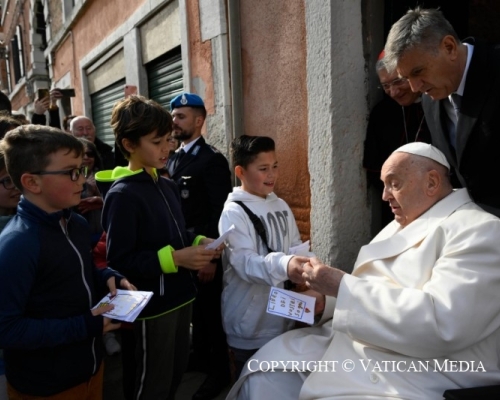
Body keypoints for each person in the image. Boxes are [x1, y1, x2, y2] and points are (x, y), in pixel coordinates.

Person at [226, 142, 500, 400]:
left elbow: (443, 323)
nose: (384, 196)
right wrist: (327, 303)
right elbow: (373, 286)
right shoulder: (403, 221)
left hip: (416, 368)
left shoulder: (479, 230)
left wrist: (340, 286)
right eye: (384, 185)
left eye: (394, 184)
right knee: (264, 371)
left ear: (431, 182)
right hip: (362, 344)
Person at [96, 94, 223, 400]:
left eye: (168, 139)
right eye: (157, 142)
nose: (167, 148)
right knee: (150, 385)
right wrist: (176, 258)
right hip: (151, 309)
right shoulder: (123, 194)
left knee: (174, 377)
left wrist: (195, 242)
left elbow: (175, 233)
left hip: (181, 298)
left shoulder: (165, 183)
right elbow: (121, 260)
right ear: (129, 144)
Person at [0, 124, 135, 399]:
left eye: (82, 170)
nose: (83, 181)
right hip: (45, 387)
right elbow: (7, 329)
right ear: (31, 182)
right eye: (71, 173)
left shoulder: (77, 224)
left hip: (91, 371)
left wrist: (106, 276)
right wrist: (87, 326)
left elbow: (79, 271)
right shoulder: (16, 245)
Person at [384, 7, 500, 217]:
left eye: (418, 72)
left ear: (449, 47)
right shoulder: (431, 97)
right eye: (406, 78)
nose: (414, 88)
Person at [219, 135, 313, 379]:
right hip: (250, 325)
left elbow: (293, 246)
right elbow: (245, 264)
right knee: (250, 386)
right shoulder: (233, 212)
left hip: (282, 319)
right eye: (263, 169)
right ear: (240, 171)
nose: (271, 175)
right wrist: (285, 264)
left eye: (275, 166)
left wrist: (305, 264)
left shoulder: (280, 204)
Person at [166, 92, 233, 400]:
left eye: (180, 116)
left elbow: (219, 213)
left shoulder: (212, 160)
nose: (174, 121)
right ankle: (200, 356)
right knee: (197, 313)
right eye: (173, 116)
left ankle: (219, 372)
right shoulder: (175, 156)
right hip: (184, 251)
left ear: (198, 121)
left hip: (204, 253)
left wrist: (211, 259)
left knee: (211, 313)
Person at [363, 51, 432, 229]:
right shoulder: (382, 113)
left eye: (398, 81)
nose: (394, 92)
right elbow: (373, 168)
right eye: (386, 86)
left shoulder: (437, 102)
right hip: (398, 211)